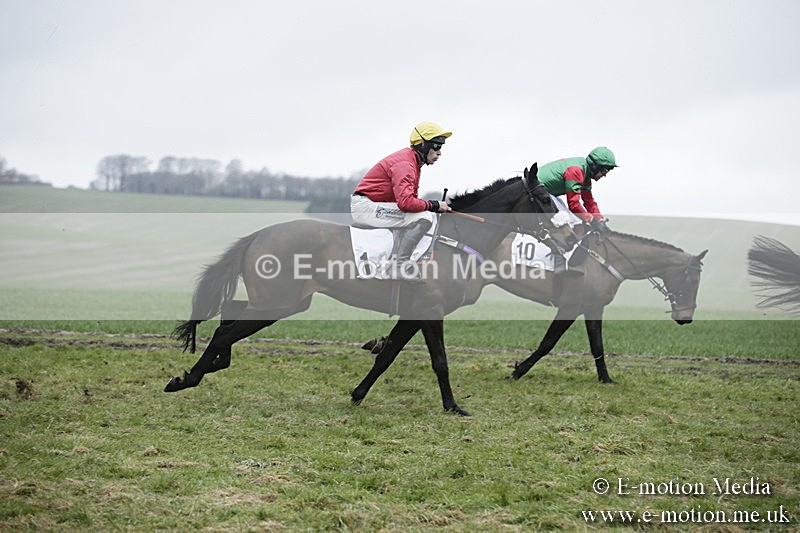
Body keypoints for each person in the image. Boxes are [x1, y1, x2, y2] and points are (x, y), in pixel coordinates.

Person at [351, 121, 453, 280]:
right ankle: (399, 266)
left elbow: (410, 201)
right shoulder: (406, 164)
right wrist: (434, 205)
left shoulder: (413, 162)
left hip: (374, 204)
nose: (439, 153)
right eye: (437, 146)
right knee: (425, 216)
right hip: (366, 207)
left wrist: (432, 207)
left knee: (426, 214)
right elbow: (406, 203)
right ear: (422, 144)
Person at [538, 146, 618, 233]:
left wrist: (600, 219)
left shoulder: (585, 174)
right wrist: (591, 220)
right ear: (595, 166)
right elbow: (573, 205)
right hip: (537, 191)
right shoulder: (576, 171)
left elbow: (589, 201)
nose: (604, 175)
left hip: (545, 192)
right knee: (574, 221)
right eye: (604, 171)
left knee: (575, 219)